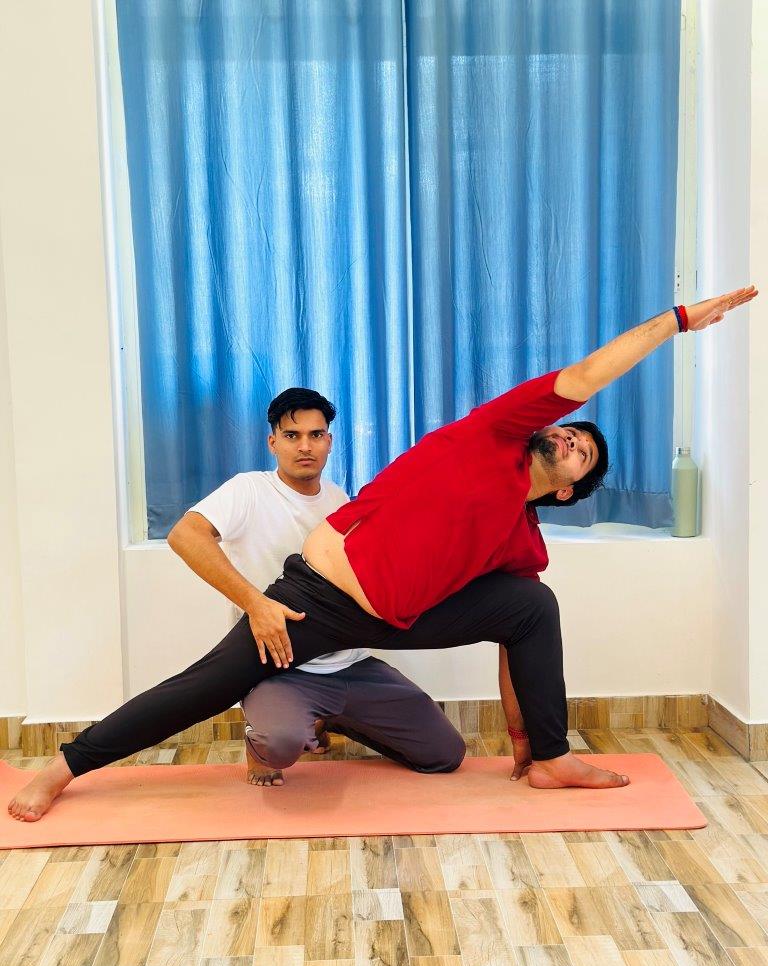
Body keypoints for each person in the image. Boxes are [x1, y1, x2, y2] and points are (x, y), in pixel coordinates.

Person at [8, 286, 757, 822]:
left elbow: (514, 641)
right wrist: (680, 319)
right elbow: (591, 374)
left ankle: (555, 761)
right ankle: (63, 767)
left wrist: (527, 741)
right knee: (201, 686)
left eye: (582, 451)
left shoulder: (520, 537)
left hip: (396, 618)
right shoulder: (495, 432)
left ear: (569, 491)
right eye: (570, 431)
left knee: (533, 606)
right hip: (318, 603)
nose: (570, 438)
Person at [167, 387, 465, 787]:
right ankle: (273, 738)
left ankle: (326, 717)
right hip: (280, 667)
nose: (305, 446)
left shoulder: (340, 500)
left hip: (351, 664)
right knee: (281, 743)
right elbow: (185, 535)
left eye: (316, 435)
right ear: (273, 442)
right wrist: (256, 605)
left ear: (329, 441)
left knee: (445, 754)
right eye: (292, 435)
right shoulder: (249, 489)